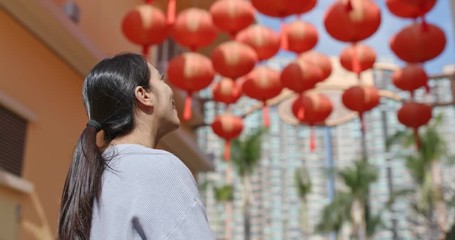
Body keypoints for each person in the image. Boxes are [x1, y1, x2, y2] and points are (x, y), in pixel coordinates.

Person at [58, 53, 215, 240]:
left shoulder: (91, 173)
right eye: (161, 79)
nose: (170, 89)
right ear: (143, 95)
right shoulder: (160, 169)